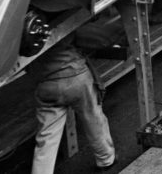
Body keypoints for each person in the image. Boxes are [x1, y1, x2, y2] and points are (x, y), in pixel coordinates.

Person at [32, 37, 115, 173]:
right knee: (93, 117)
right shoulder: (56, 18)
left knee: (47, 138)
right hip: (75, 76)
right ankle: (106, 159)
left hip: (46, 84)